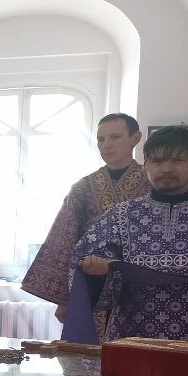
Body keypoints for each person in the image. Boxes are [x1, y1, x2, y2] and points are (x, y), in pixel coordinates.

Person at [22, 113, 150, 328]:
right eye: (101, 139)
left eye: (115, 137)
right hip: (90, 282)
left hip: (137, 282)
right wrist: (64, 298)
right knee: (87, 346)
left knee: (134, 345)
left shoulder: (152, 183)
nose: (106, 145)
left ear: (135, 138)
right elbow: (63, 239)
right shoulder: (83, 187)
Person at [70, 125, 188, 341]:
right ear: (146, 166)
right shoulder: (120, 214)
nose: (166, 169)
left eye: (178, 160)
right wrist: (97, 272)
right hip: (130, 334)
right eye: (157, 161)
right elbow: (83, 265)